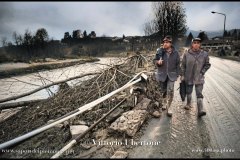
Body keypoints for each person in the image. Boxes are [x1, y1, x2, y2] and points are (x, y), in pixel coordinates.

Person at [180, 38, 211, 117]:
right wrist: (182, 75)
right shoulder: (187, 54)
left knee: (199, 93)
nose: (196, 44)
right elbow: (183, 66)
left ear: (200, 44)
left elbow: (207, 64)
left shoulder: (204, 54)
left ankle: (200, 110)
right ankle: (188, 103)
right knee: (189, 92)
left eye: (198, 43)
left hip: (199, 77)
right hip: (188, 76)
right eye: (195, 43)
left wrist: (202, 72)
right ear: (192, 44)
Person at [155, 35, 180, 117]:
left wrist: (177, 75)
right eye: (164, 42)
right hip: (162, 74)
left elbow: (178, 65)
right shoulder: (160, 51)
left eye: (167, 42)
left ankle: (169, 107)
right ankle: (164, 103)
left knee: (170, 91)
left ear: (170, 43)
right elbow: (154, 61)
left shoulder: (176, 53)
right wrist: (157, 63)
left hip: (171, 75)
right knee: (163, 91)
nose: (165, 44)